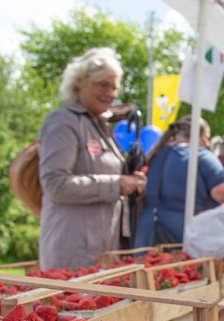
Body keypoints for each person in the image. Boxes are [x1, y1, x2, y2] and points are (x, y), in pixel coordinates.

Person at [37, 47, 146, 270]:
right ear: (79, 83)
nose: (111, 93)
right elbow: (55, 185)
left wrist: (130, 182)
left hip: (101, 251)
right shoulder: (63, 122)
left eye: (114, 87)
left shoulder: (99, 125)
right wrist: (116, 185)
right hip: (72, 254)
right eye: (103, 85)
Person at [134, 116, 224, 246]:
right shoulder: (201, 156)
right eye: (207, 138)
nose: (208, 143)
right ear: (198, 135)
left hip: (146, 235)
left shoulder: (156, 155)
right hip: (182, 238)